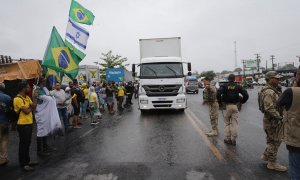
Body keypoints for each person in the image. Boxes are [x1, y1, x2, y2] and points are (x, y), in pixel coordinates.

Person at [260, 71, 287, 172]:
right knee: (274, 141)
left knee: (272, 140)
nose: (278, 80)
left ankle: (266, 155)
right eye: (276, 78)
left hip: (271, 120)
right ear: (270, 79)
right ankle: (272, 163)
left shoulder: (272, 90)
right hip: (272, 121)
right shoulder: (269, 92)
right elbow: (269, 108)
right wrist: (280, 117)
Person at [278, 69, 300, 178]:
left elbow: (280, 103)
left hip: (297, 139)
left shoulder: (292, 92)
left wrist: (294, 86)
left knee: (296, 169)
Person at [217, 74, 249, 145]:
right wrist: (242, 101)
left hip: (226, 106)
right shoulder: (238, 86)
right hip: (235, 106)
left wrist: (219, 102)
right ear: (234, 79)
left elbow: (218, 93)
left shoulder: (224, 86)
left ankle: (227, 139)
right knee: (235, 123)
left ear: (228, 79)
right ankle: (233, 140)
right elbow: (246, 94)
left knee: (227, 123)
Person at [33, 77, 61, 157]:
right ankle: (39, 151)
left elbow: (50, 95)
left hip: (46, 113)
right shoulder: (36, 90)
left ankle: (45, 147)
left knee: (46, 129)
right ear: (40, 82)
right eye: (44, 81)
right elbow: (45, 99)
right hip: (41, 114)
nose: (45, 82)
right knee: (41, 131)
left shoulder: (44, 89)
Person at [14, 81, 38, 171]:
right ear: (23, 88)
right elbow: (27, 111)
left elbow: (34, 106)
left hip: (29, 123)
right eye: (28, 87)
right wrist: (31, 107)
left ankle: (27, 161)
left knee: (28, 143)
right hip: (22, 124)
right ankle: (23, 164)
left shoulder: (27, 97)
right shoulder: (17, 99)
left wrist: (34, 98)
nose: (29, 88)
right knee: (23, 144)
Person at [0, 83, 11, 166]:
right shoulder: (7, 97)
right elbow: (10, 110)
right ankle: (4, 159)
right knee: (4, 140)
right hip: (5, 122)